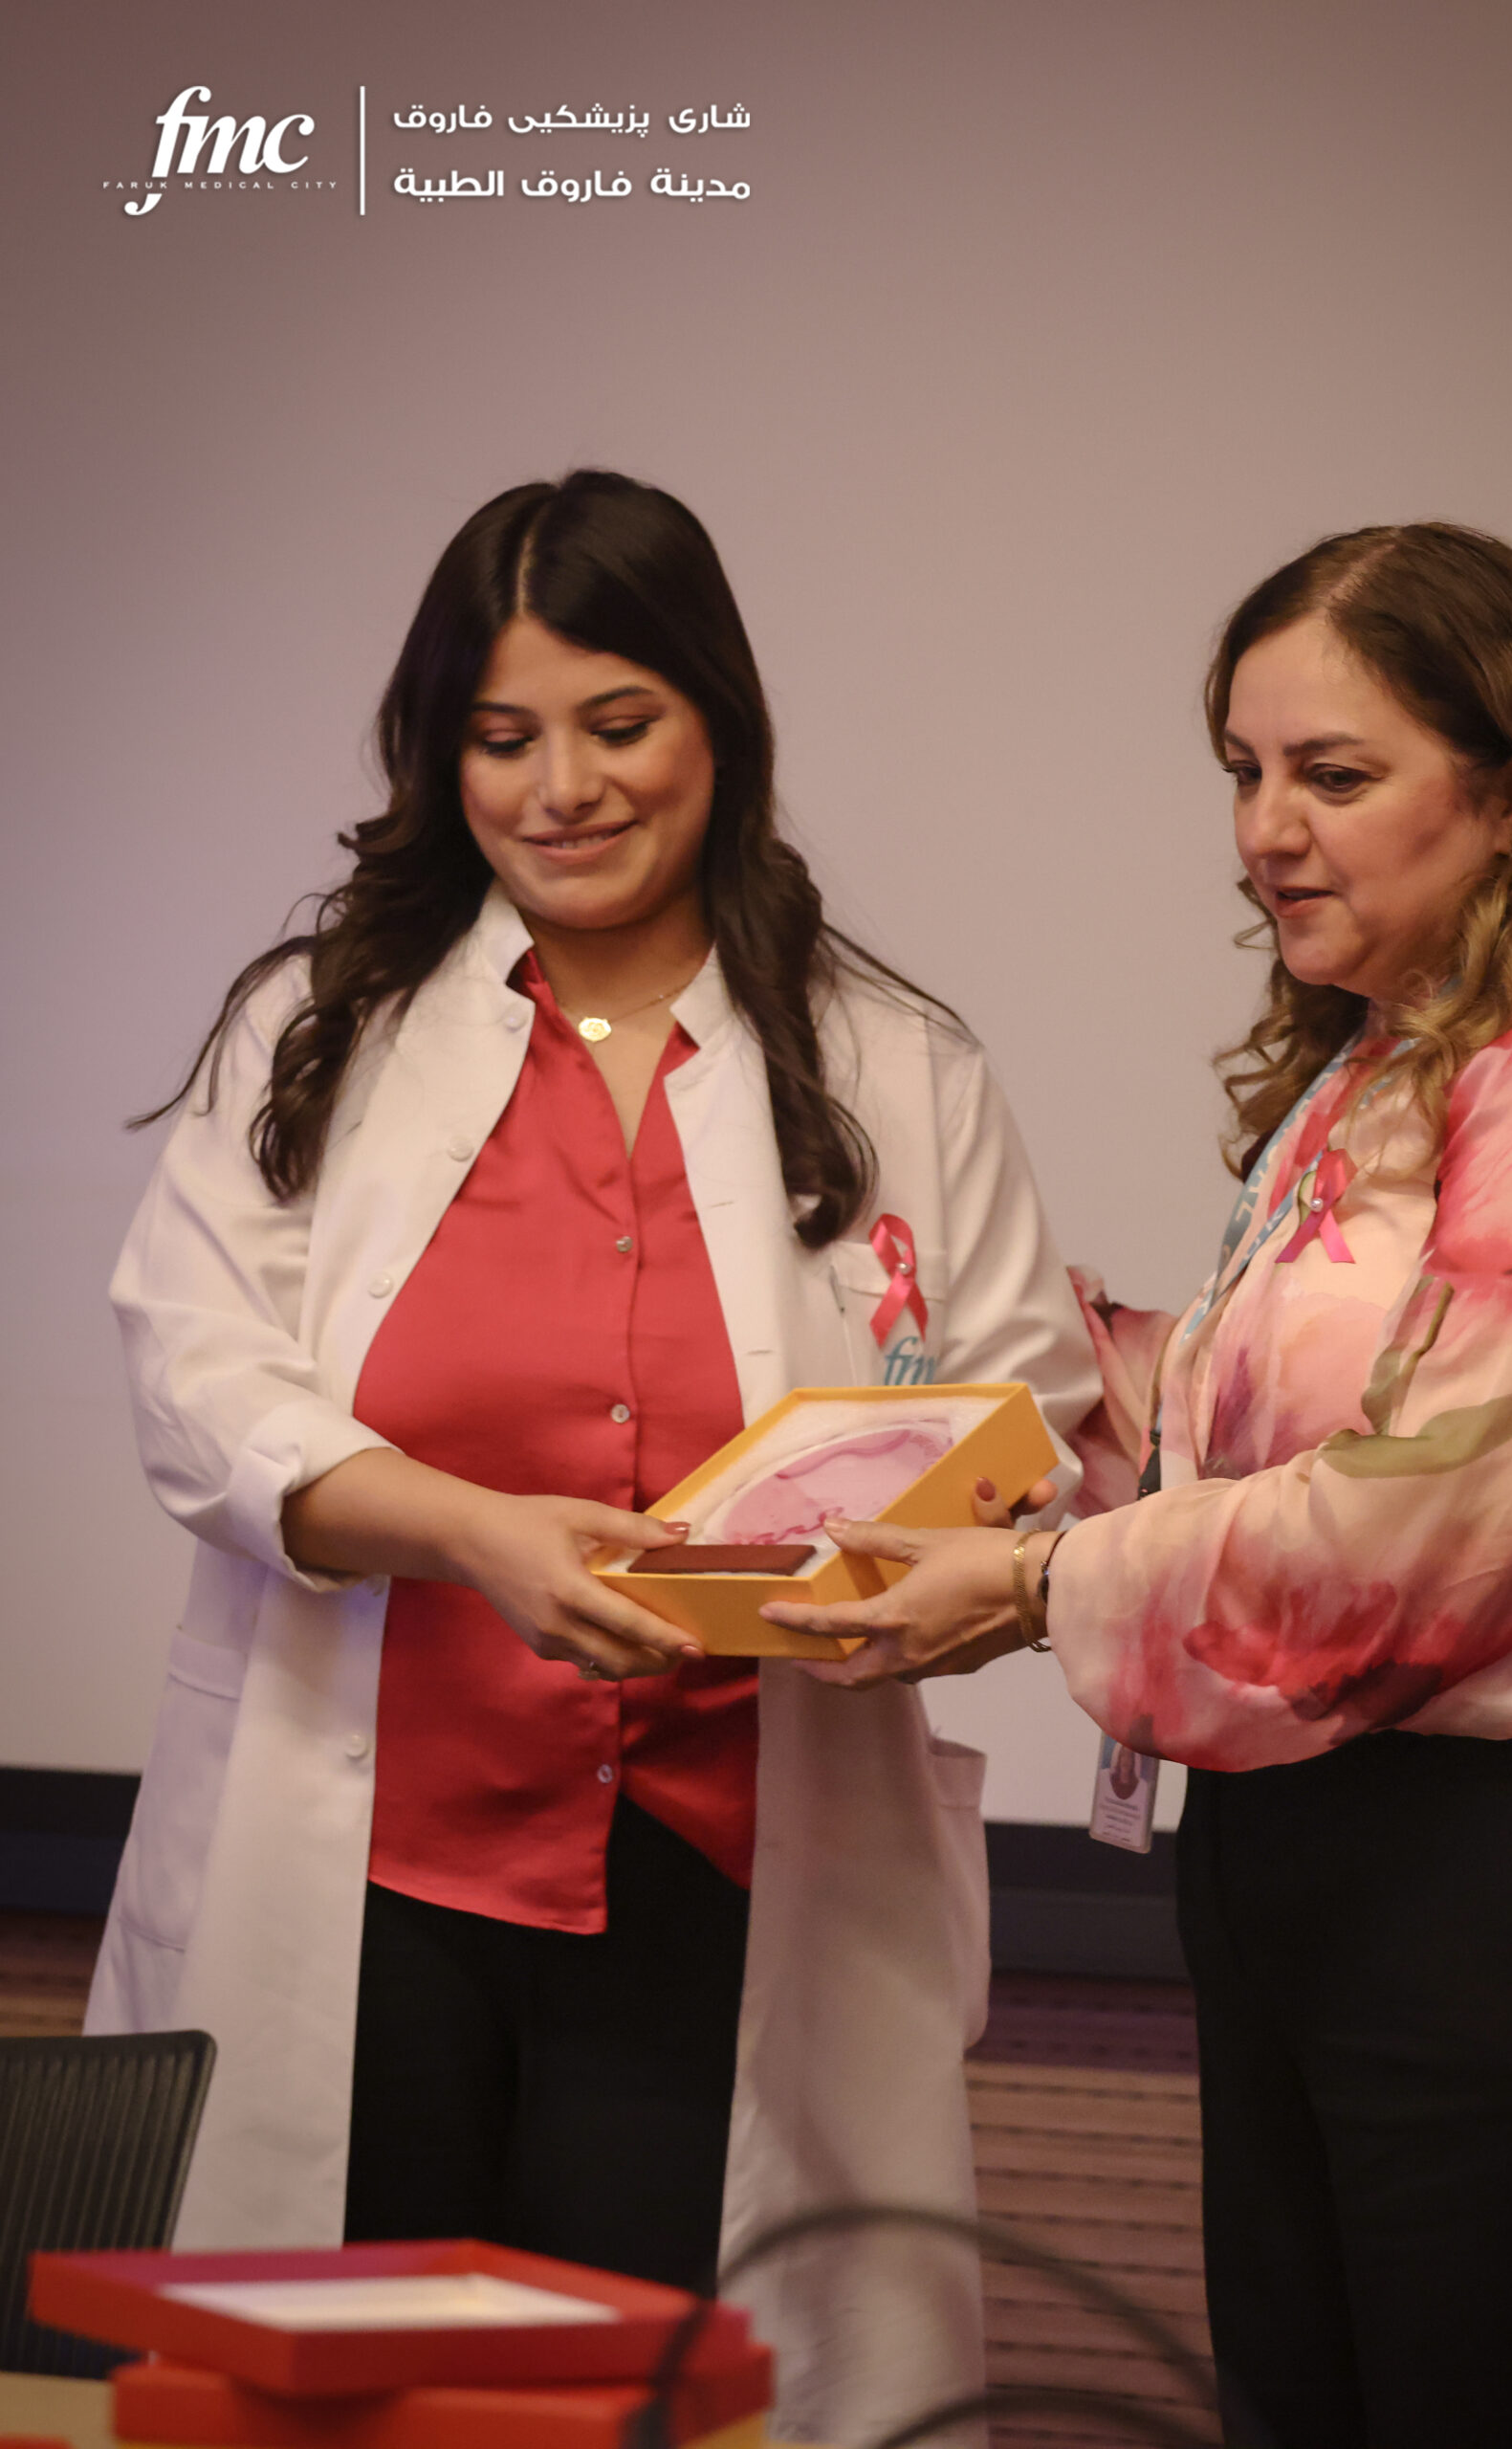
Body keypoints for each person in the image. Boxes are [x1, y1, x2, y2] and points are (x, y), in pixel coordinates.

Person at [760, 523, 1512, 2449]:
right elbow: (1241, 1429)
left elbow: (1438, 1525)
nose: (1267, 830)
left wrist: (1031, 1584)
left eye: (1333, 774)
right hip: (1317, 1857)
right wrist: (927, 1324)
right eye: (1244, 771)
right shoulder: (1388, 1061)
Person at [90, 470, 1098, 2444]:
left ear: (718, 721)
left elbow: (1022, 1407)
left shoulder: (892, 1062)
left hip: (725, 1876)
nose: (561, 788)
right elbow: (197, 1377)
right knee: (342, 2384)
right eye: (502, 737)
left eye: (618, 724)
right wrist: (474, 1535)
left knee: (664, 2392)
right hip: (374, 1880)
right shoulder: (323, 1030)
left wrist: (928, 1573)